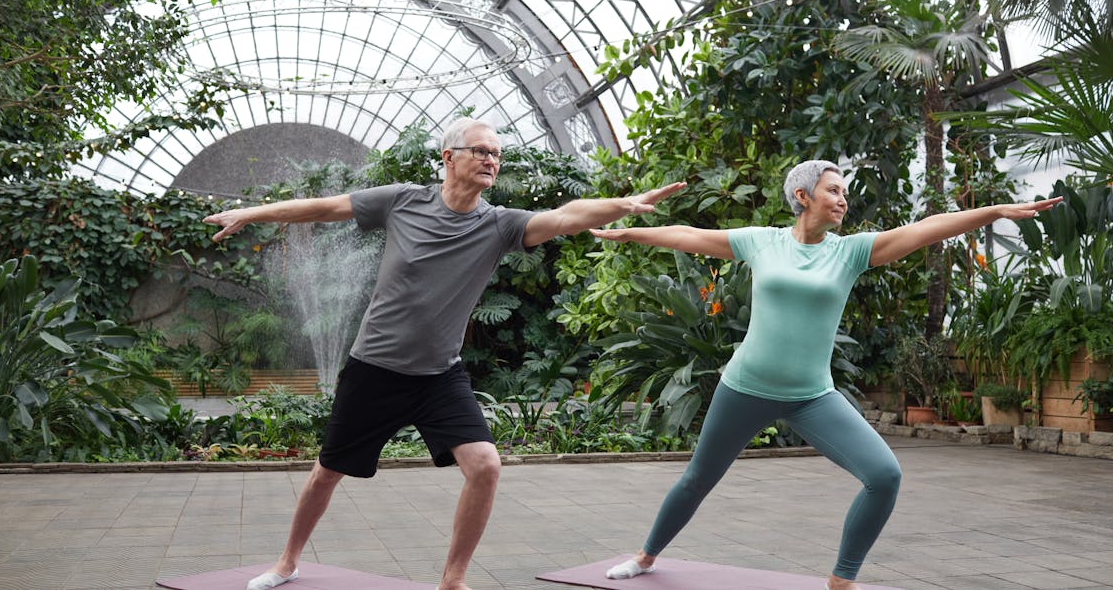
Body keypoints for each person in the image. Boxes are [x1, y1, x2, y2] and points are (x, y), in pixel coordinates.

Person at [203, 117, 685, 590]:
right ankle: (287, 562)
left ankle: (452, 581)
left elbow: (565, 216)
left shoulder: (499, 226)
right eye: (481, 151)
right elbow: (323, 209)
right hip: (374, 369)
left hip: (439, 375)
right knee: (328, 472)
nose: (491, 160)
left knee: (486, 466)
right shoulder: (402, 201)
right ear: (448, 157)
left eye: (496, 153)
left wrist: (623, 204)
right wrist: (252, 213)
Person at [591, 160, 1062, 590]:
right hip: (744, 388)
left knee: (884, 475)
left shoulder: (850, 253)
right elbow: (688, 235)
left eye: (844, 192)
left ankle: (842, 580)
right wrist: (631, 234)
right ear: (802, 196)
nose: (843, 199)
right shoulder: (761, 242)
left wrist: (994, 210)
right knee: (698, 478)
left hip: (811, 397)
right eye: (833, 190)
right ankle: (646, 556)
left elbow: (926, 229)